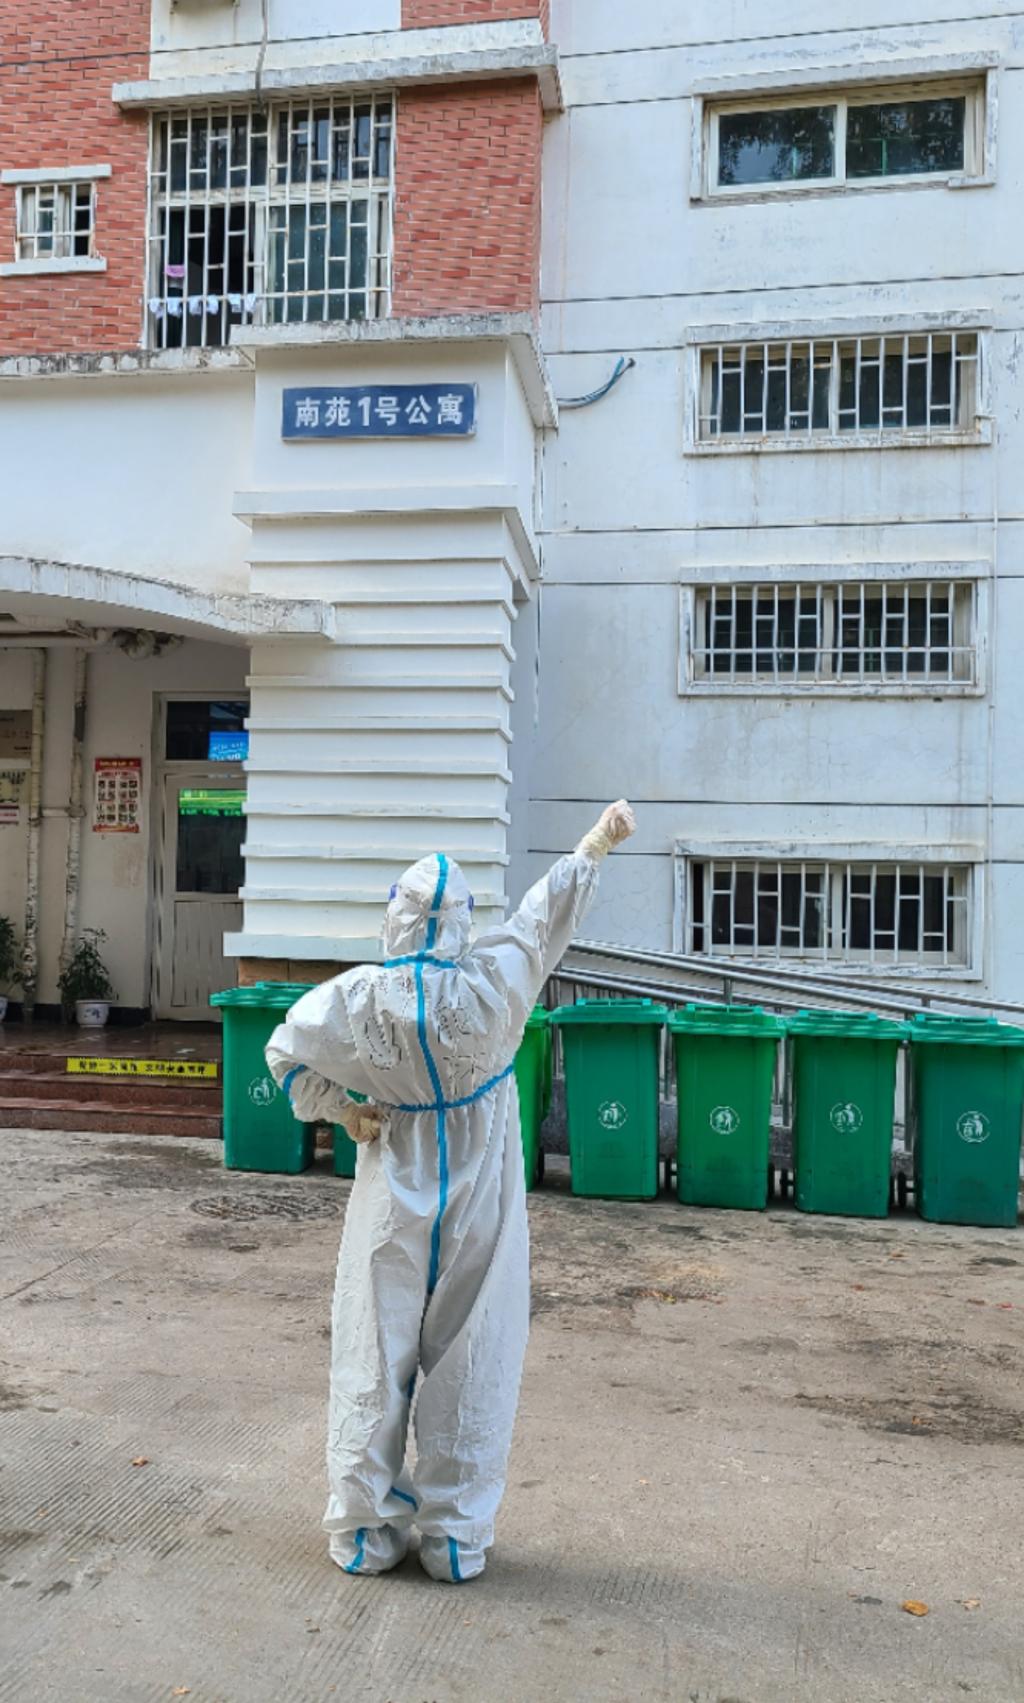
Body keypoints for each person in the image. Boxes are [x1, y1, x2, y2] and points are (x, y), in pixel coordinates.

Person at [265, 800, 637, 1583]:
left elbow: (284, 1051)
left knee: (372, 1347)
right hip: (480, 1190)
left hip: (392, 1184)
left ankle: (364, 1530)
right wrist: (594, 845)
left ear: (394, 919)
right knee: (475, 1353)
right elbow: (542, 919)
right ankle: (455, 1538)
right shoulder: (495, 980)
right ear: (462, 922)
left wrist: (344, 1111)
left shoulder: (361, 998)